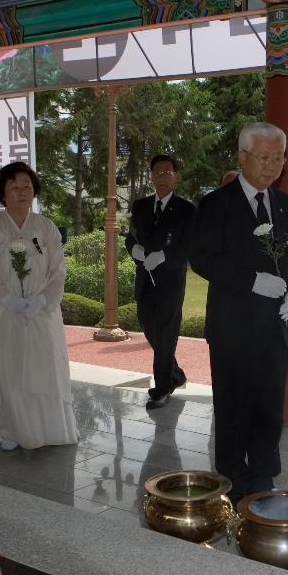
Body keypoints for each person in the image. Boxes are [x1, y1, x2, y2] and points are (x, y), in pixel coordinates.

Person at [190, 122, 288, 504]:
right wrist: (250, 280)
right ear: (243, 158)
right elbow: (201, 257)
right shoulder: (216, 204)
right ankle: (230, 475)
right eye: (264, 157)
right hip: (233, 327)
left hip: (276, 327)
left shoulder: (286, 205)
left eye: (278, 158)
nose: (272, 165)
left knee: (269, 402)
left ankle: (262, 473)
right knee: (233, 404)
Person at [0, 162, 78, 451]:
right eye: (14, 187)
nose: (21, 192)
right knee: (10, 367)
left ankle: (52, 430)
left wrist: (42, 300)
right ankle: (14, 431)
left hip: (42, 312)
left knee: (47, 368)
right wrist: (7, 299)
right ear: (3, 193)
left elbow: (58, 271)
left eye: (27, 186)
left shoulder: (45, 228)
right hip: (3, 312)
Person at [125, 154, 194, 410]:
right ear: (151, 176)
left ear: (176, 177)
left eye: (168, 173)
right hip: (145, 280)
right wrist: (134, 250)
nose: (162, 177)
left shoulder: (187, 210)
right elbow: (130, 237)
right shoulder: (140, 206)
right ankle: (175, 374)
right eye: (157, 173)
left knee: (166, 336)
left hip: (171, 283)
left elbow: (190, 246)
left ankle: (162, 388)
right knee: (149, 328)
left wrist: (164, 255)